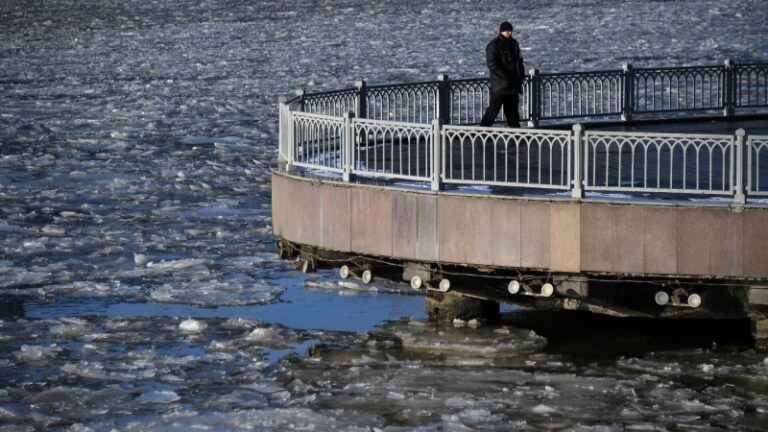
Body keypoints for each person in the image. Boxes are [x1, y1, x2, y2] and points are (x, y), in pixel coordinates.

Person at [480, 21, 525, 128]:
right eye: (507, 31)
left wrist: (520, 75)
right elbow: (492, 64)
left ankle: (516, 133)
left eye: (510, 31)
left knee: (512, 112)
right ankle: (482, 131)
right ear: (501, 31)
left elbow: (518, 61)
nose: (509, 33)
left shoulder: (514, 43)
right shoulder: (494, 45)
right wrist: (506, 77)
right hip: (500, 85)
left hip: (512, 85)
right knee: (493, 110)